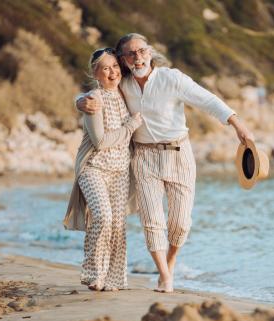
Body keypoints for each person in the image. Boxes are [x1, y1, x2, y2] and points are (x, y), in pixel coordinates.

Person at [76, 33, 254, 293]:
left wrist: (238, 125)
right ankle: (164, 275)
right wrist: (79, 101)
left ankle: (169, 262)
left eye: (142, 51)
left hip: (179, 154)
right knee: (152, 221)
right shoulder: (123, 82)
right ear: (124, 59)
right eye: (131, 54)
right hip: (144, 158)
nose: (138, 57)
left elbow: (208, 100)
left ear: (150, 52)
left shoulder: (173, 78)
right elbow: (96, 91)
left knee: (180, 223)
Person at [64, 47, 142, 291]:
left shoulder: (125, 92)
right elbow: (101, 142)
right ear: (95, 73)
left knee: (118, 225)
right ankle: (93, 272)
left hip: (120, 170)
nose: (112, 72)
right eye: (105, 68)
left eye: (115, 66)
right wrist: (131, 125)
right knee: (102, 217)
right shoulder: (93, 100)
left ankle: (114, 279)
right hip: (93, 168)